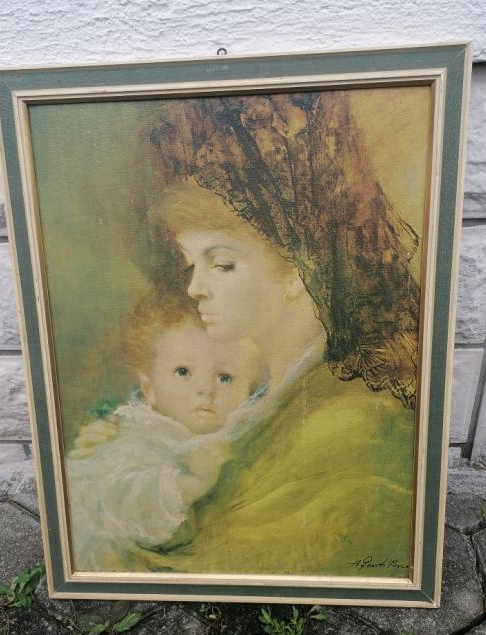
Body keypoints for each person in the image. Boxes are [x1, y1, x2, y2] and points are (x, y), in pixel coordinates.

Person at [71, 90, 421, 576]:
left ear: (297, 269)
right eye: (192, 265)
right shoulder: (263, 392)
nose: (194, 288)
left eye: (221, 263)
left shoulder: (345, 426)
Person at [66, 291, 260, 571]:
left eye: (225, 377)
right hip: (106, 557)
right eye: (183, 372)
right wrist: (194, 483)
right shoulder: (142, 436)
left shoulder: (235, 437)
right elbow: (127, 498)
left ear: (247, 394)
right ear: (149, 389)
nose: (206, 389)